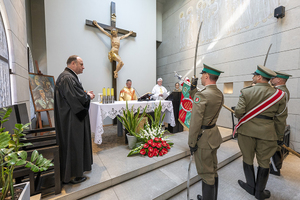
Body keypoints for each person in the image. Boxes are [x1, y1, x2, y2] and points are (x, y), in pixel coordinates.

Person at [235, 65, 287, 200]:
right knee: (264, 162)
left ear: (259, 77)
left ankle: (250, 187)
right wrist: (280, 136)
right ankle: (259, 192)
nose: (252, 77)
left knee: (247, 158)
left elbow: (239, 112)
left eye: (254, 75)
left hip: (246, 131)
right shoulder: (280, 95)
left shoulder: (246, 91)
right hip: (267, 133)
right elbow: (281, 118)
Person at [54, 55, 95, 184]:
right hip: (71, 119)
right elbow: (75, 98)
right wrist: (87, 96)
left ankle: (75, 171)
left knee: (73, 143)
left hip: (71, 116)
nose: (83, 67)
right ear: (73, 64)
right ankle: (73, 175)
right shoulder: (67, 77)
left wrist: (84, 94)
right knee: (74, 143)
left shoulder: (68, 76)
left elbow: (74, 94)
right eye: (81, 64)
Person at [189, 64, 224, 200]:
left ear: (206, 76)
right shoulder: (218, 93)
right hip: (213, 136)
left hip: (203, 139)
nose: (202, 77)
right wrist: (194, 88)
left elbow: (195, 123)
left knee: (206, 173)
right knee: (213, 169)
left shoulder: (203, 95)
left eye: (202, 75)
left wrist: (192, 142)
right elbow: (199, 98)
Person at [269, 71, 291, 176]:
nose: (271, 80)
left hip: (277, 124)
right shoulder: (281, 90)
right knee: (275, 146)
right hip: (278, 123)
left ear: (279, 80)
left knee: (275, 147)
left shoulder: (281, 92)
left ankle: (275, 168)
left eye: (273, 78)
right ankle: (275, 167)